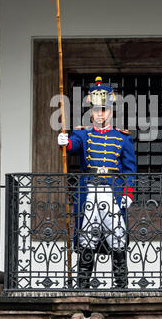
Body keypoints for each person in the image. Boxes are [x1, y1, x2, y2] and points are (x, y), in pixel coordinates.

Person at [58, 76, 137, 289]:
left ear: (111, 111)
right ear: (91, 112)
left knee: (118, 236)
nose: (100, 114)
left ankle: (121, 286)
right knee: (87, 237)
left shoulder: (122, 137)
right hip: (90, 191)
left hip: (112, 193)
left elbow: (130, 170)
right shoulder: (83, 134)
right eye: (96, 110)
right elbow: (73, 146)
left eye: (104, 109)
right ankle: (83, 285)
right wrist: (65, 142)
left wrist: (128, 193)